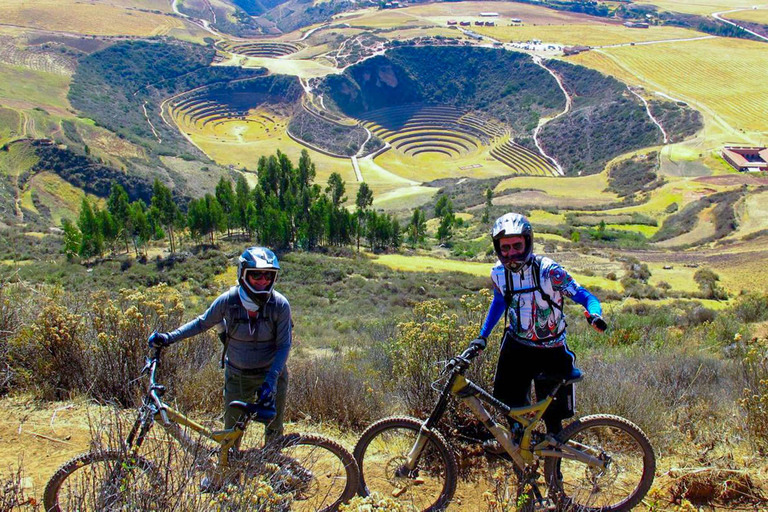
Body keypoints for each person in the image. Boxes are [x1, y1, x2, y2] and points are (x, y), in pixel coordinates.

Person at [469, 213, 607, 450]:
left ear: (528, 242)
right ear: (497, 249)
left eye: (517, 246)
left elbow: (585, 296)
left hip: (551, 350)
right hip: (516, 347)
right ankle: (521, 458)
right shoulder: (499, 274)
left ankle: (555, 476)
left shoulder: (549, 272)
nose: (511, 253)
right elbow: (499, 302)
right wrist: (483, 336)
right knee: (508, 405)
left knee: (554, 418)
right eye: (505, 248)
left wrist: (594, 314)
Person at [148, 246, 292, 444]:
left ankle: (276, 469)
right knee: (231, 432)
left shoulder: (280, 305)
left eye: (268, 275)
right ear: (243, 274)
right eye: (256, 275)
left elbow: (284, 345)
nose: (262, 280)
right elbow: (202, 323)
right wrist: (169, 337)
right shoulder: (229, 301)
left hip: (271, 376)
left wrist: (272, 380)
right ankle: (230, 473)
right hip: (237, 376)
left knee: (274, 428)